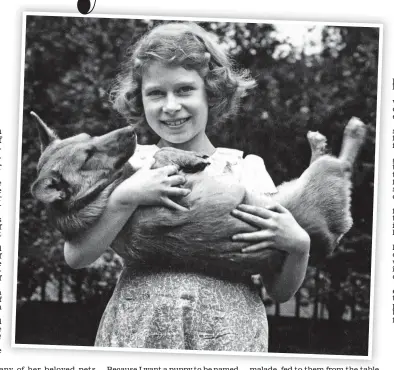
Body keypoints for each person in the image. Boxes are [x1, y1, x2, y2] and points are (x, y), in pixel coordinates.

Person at [64, 22, 310, 351]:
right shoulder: (130, 167)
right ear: (140, 99)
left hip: (227, 338)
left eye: (184, 90)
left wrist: (299, 247)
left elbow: (278, 290)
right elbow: (76, 255)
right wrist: (125, 198)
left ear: (211, 92)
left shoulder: (244, 172)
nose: (170, 106)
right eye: (155, 93)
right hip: (141, 334)